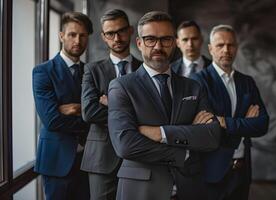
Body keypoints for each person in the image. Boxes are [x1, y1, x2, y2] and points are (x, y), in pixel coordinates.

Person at [108, 11, 222, 200]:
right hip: (141, 190)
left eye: (165, 39)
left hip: (189, 188)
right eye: (150, 39)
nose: (158, 46)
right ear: (139, 43)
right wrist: (183, 151)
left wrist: (161, 133)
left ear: (174, 43)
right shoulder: (121, 86)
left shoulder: (193, 86)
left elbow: (211, 136)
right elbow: (125, 144)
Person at [191, 24, 269, 200]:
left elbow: (263, 124)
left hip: (242, 172)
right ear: (210, 49)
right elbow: (207, 129)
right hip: (212, 171)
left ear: (236, 47)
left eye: (231, 45)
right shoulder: (198, 81)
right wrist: (245, 124)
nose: (226, 50)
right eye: (220, 45)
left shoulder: (247, 82)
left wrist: (225, 122)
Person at [80, 9, 142, 200]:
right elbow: (89, 112)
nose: (117, 37)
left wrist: (112, 104)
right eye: (110, 33)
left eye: (121, 31)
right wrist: (131, 110)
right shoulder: (92, 69)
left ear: (131, 31)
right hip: (101, 157)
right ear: (103, 37)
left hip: (139, 155)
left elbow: (155, 112)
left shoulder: (144, 69)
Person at [32, 12, 93, 200]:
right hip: (57, 160)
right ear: (61, 36)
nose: (78, 40)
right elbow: (51, 120)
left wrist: (73, 109)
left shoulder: (91, 71)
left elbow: (101, 113)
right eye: (72, 34)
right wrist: (86, 115)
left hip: (87, 161)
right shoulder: (43, 71)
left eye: (83, 35)